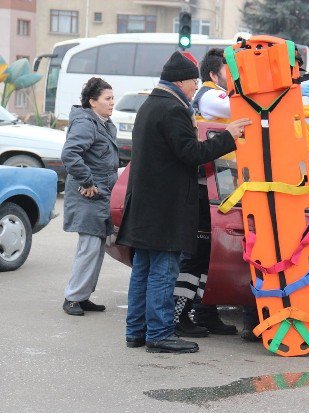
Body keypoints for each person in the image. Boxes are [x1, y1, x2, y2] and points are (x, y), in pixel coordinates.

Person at [117, 51, 251, 353]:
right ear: (180, 81)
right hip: (165, 209)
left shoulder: (151, 105)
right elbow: (191, 153)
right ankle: (160, 334)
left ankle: (136, 331)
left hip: (145, 206)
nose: (195, 87)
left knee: (143, 272)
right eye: (193, 82)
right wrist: (228, 136)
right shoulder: (172, 109)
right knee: (163, 272)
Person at [171, 48, 238, 338]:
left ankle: (204, 311)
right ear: (214, 74)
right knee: (196, 256)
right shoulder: (212, 96)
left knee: (209, 256)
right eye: (229, 70)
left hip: (222, 187)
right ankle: (179, 314)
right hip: (205, 189)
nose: (233, 77)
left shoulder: (213, 95)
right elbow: (241, 108)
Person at [61, 77, 118, 316]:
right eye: (108, 98)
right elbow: (70, 154)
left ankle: (83, 296)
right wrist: (87, 182)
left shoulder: (104, 123)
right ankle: (72, 298)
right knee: (89, 247)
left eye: (113, 98)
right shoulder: (86, 123)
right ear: (93, 102)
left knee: (96, 247)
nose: (112, 103)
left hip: (101, 195)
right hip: (89, 195)